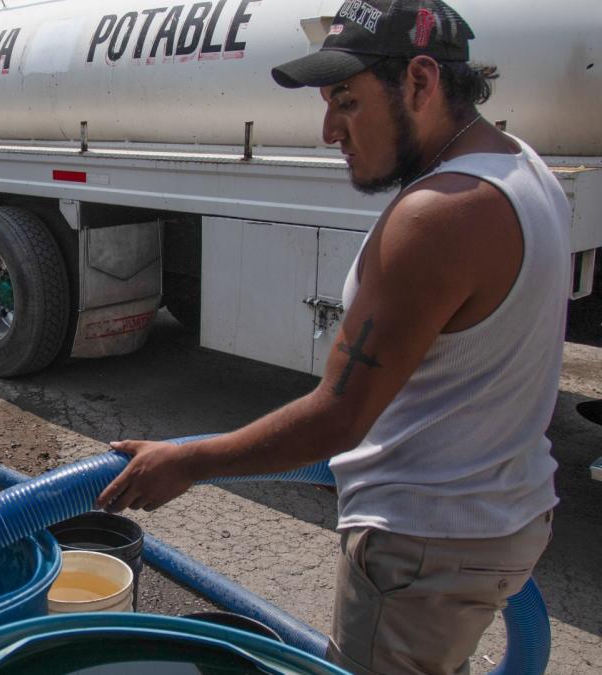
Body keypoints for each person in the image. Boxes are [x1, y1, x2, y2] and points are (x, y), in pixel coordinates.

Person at [96, 1, 567, 673]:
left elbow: (340, 415)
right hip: (490, 522)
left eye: (346, 102)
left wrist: (186, 460)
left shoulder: (438, 217)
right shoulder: (521, 167)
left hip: (422, 545)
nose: (328, 131)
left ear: (421, 83)